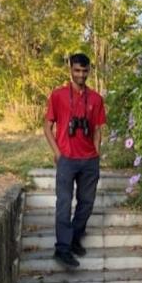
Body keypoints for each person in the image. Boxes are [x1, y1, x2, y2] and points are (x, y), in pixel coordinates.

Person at [43, 53, 106, 268]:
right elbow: (47, 126)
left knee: (86, 204)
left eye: (85, 71)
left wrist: (97, 153)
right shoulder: (58, 95)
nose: (81, 75)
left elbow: (98, 129)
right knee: (63, 203)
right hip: (67, 159)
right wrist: (57, 151)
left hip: (89, 159)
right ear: (70, 69)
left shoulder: (96, 98)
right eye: (77, 70)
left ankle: (75, 238)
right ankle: (62, 248)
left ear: (89, 70)